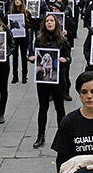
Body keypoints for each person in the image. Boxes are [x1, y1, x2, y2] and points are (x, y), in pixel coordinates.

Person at [29, 13, 71, 148]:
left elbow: (68, 58)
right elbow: (34, 56)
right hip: (43, 80)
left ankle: (63, 136)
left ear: (56, 24)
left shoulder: (63, 40)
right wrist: (33, 59)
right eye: (47, 21)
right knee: (43, 107)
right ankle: (40, 135)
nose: (49, 23)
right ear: (44, 24)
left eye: (52, 21)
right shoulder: (39, 39)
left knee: (60, 108)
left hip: (59, 78)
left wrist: (65, 60)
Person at [9, 0, 31, 84]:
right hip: (14, 37)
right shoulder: (11, 13)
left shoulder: (26, 13)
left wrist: (26, 25)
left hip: (23, 37)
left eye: (19, 0)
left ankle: (24, 76)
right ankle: (15, 76)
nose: (17, 1)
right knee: (14, 57)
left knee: (23, 57)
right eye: (16, 0)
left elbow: (31, 25)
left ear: (22, 2)